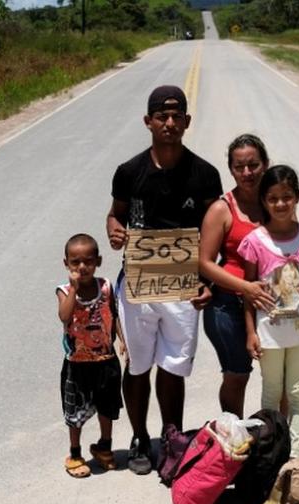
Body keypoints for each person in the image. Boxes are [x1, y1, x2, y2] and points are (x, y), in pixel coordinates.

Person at [106, 85, 222, 475]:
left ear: (187, 122)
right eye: (162, 116)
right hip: (139, 285)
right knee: (138, 364)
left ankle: (171, 438)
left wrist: (210, 279)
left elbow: (214, 232)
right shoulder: (129, 172)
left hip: (183, 287)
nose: (169, 123)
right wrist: (115, 231)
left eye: (177, 117)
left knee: (174, 366)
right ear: (149, 121)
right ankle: (140, 437)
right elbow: (115, 214)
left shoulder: (205, 174)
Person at [199, 135, 299, 418]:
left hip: (279, 308)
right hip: (228, 306)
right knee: (237, 375)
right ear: (230, 169)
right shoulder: (222, 209)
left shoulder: (275, 202)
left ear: (266, 164)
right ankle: (234, 439)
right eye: (239, 167)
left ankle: (279, 440)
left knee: (282, 379)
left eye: (253, 165)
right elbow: (205, 263)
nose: (247, 173)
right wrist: (246, 287)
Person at [239, 165, 299, 459]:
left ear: (297, 197)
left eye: (287, 196)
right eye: (273, 198)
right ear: (264, 201)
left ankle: (296, 458)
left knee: (298, 393)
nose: (280, 204)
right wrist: (250, 331)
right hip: (269, 334)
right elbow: (249, 291)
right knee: (272, 393)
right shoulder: (256, 242)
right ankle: (270, 454)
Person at [56, 233, 124, 478]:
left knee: (107, 406)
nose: (82, 267)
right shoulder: (64, 291)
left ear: (98, 261)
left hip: (106, 360)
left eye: (88, 261)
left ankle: (104, 446)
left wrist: (123, 341)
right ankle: (75, 453)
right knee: (75, 412)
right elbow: (64, 316)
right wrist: (74, 290)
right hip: (78, 364)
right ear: (67, 264)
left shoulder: (105, 286)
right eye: (75, 262)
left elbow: (113, 316)